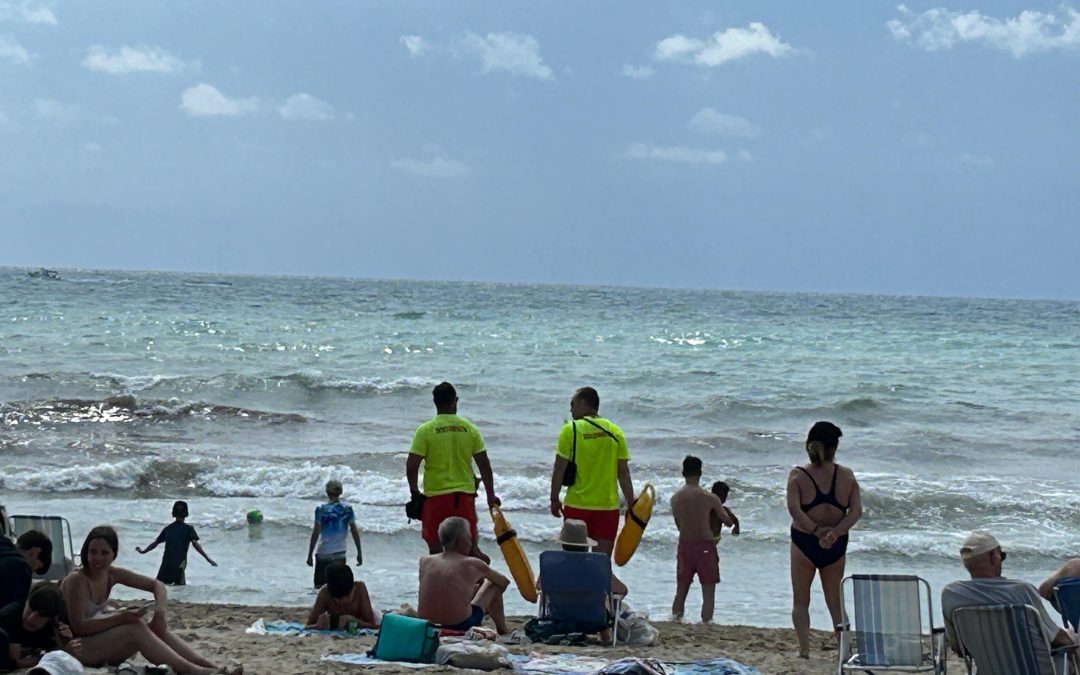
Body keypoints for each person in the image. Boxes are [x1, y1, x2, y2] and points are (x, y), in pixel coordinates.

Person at [60, 526, 240, 674]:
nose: (98, 558)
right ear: (85, 552)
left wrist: (160, 613)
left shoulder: (112, 574)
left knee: (150, 624)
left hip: (99, 643)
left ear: (113, 555)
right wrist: (121, 617)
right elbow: (79, 627)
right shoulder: (78, 579)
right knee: (134, 627)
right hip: (76, 649)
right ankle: (192, 671)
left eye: (104, 553)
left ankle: (211, 667)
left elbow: (157, 585)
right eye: (93, 552)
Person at [786, 421, 862, 659]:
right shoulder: (846, 475)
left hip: (805, 541)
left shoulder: (798, 475)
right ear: (834, 447)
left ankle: (804, 650)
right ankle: (844, 650)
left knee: (801, 601)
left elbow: (795, 510)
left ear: (811, 445)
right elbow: (856, 511)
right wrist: (836, 532)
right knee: (836, 603)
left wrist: (816, 531)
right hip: (835, 544)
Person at [942, 531, 1077, 658]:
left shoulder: (952, 594)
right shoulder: (1022, 591)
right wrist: (1072, 641)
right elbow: (1055, 637)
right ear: (994, 556)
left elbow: (958, 647)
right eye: (1002, 555)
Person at [406, 382, 499, 559]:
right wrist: (490, 496)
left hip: (435, 498)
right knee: (469, 552)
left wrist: (414, 493)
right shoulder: (470, 429)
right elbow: (484, 465)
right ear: (455, 401)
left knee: (436, 552)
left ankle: (441, 584)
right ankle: (473, 583)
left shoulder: (425, 431)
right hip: (463, 498)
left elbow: (412, 465)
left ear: (435, 403)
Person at [549, 387, 634, 557]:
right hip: (607, 509)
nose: (570, 409)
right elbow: (623, 473)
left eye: (573, 404)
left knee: (574, 561)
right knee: (601, 564)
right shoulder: (615, 432)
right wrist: (631, 503)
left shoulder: (570, 430)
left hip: (576, 506)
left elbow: (559, 468)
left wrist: (554, 497)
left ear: (583, 404)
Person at [670, 456, 735, 623]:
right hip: (705, 546)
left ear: (683, 473)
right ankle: (706, 623)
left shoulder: (675, 498)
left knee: (681, 589)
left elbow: (679, 524)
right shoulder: (709, 497)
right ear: (700, 472)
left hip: (684, 545)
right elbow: (727, 522)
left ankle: (676, 620)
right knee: (708, 591)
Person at [417, 517, 510, 634]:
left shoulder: (425, 561)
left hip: (427, 624)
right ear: (461, 540)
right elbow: (503, 582)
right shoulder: (473, 563)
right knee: (493, 585)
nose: (471, 543)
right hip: (460, 625)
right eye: (469, 538)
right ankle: (503, 630)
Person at [0, 583, 80, 671]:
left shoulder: (54, 626)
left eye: (40, 615)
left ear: (51, 618)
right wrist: (61, 654)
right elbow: (17, 663)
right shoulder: (9, 617)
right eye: (30, 609)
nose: (30, 618)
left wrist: (65, 646)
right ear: (27, 601)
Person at [135, 501, 216, 586]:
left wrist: (144, 551)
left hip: (166, 565)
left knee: (160, 586)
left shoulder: (168, 529)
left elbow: (155, 543)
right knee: (180, 587)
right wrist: (208, 559)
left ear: (173, 513)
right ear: (186, 514)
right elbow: (196, 545)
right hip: (180, 565)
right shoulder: (189, 529)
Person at [306, 479, 362, 589]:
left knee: (319, 588)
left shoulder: (321, 509)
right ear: (340, 492)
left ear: (327, 492)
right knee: (337, 589)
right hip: (340, 554)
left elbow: (316, 533)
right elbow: (354, 532)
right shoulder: (347, 509)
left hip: (323, 553)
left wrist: (310, 555)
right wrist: (359, 552)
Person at [305, 562, 378, 631]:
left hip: (363, 619)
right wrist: (318, 625)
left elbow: (373, 625)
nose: (342, 601)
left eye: (346, 597)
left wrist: (355, 622)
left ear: (353, 587)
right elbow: (308, 626)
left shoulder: (359, 588)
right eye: (337, 599)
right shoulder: (325, 593)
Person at [0, 530, 53, 608]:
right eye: (35, 567)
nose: (31, 573)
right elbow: (10, 614)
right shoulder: (20, 569)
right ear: (34, 553)